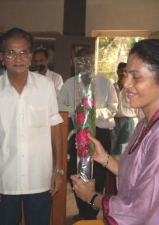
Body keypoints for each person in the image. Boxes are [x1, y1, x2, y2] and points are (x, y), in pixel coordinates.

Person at [71, 39, 159, 225]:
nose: (126, 83)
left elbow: (139, 208)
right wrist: (105, 158)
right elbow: (138, 176)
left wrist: (92, 197)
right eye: (126, 75)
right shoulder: (146, 122)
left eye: (136, 77)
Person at [0, 28, 64, 225]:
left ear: (31, 56)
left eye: (24, 52)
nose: (18, 58)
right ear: (2, 58)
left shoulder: (46, 87)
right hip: (5, 180)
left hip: (40, 178)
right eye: (11, 52)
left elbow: (55, 127)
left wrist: (58, 170)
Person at [58, 48, 118, 221]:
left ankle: (92, 213)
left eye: (91, 61)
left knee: (98, 173)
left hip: (100, 132)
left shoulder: (106, 83)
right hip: (76, 131)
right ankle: (82, 209)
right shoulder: (69, 83)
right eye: (82, 61)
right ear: (74, 62)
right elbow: (59, 105)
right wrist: (78, 111)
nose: (87, 65)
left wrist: (92, 113)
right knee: (75, 171)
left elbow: (113, 108)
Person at [110, 62, 139, 155]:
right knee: (111, 145)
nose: (123, 73)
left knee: (125, 147)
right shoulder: (111, 88)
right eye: (120, 71)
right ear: (117, 72)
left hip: (128, 121)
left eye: (125, 71)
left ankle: (122, 168)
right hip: (113, 120)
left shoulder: (132, 88)